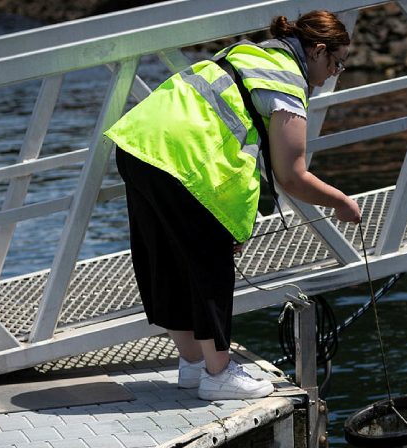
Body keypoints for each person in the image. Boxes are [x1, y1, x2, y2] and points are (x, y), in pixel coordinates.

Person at [105, 10, 362, 401]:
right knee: (208, 263)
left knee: (167, 260)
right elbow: (291, 176)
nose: (334, 74)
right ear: (318, 51)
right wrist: (340, 202)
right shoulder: (288, 81)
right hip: (180, 158)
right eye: (337, 63)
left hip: (139, 143)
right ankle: (218, 374)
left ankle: (192, 365)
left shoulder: (251, 54)